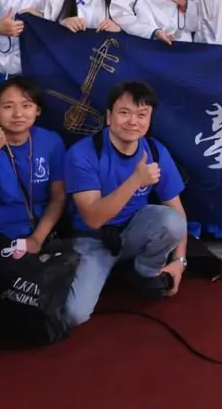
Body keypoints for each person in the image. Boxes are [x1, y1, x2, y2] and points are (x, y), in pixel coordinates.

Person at [63, 81, 188, 327]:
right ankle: (103, 271)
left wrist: (180, 262)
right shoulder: (83, 154)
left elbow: (176, 209)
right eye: (124, 113)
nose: (133, 122)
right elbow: (93, 218)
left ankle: (145, 271)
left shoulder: (155, 150)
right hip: (93, 239)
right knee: (74, 315)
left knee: (172, 221)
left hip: (134, 233)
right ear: (109, 116)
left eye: (142, 115)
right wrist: (136, 180)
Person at [0, 76, 68, 304]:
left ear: (37, 110)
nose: (18, 114)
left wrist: (36, 239)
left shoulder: (51, 142)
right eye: (8, 106)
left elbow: (58, 197)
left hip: (35, 233)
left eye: (26, 106)